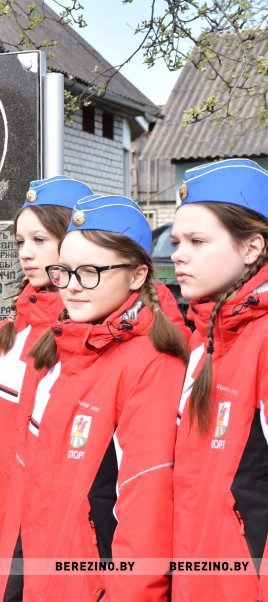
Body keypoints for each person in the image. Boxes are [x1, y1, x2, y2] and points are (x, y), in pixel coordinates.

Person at [22, 195, 189, 601]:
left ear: (136, 276)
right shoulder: (64, 352)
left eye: (91, 272)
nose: (72, 286)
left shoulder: (151, 364)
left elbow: (146, 509)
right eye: (64, 271)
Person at [0, 175, 93, 602]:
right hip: (8, 537)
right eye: (20, 241)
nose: (26, 253)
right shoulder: (5, 336)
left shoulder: (87, 340)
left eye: (39, 240)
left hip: (62, 546)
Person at [171, 158, 268, 602]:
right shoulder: (203, 338)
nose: (178, 254)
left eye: (197, 241)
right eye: (176, 242)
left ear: (251, 248)